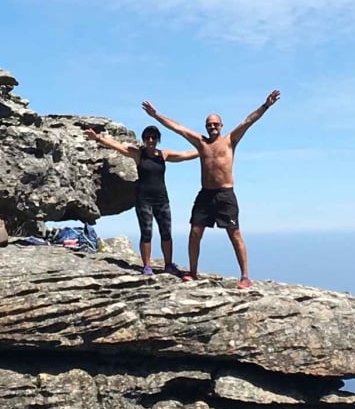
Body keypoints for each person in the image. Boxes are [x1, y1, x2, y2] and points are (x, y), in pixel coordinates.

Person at [141, 89, 279, 290]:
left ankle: (245, 276)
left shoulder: (230, 140)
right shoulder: (201, 142)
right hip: (205, 194)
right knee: (195, 232)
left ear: (221, 126)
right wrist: (155, 115)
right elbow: (178, 128)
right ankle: (193, 272)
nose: (212, 127)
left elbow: (249, 120)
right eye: (209, 124)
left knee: (234, 233)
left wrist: (266, 105)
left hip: (225, 194)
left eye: (215, 124)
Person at [83, 125, 197, 275]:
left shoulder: (163, 155)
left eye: (154, 137)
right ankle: (147, 266)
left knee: (166, 233)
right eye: (147, 137)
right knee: (146, 233)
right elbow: (116, 146)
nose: (150, 140)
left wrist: (205, 148)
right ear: (143, 139)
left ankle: (168, 265)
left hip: (162, 200)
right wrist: (97, 137)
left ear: (158, 139)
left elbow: (185, 154)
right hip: (144, 200)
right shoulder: (138, 154)